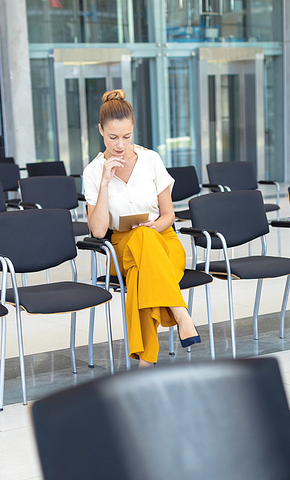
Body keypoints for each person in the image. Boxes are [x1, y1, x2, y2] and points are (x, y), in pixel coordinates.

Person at [83, 89, 201, 368]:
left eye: (126, 136)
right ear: (100, 131)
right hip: (122, 247)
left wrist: (153, 225)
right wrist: (104, 182)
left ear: (133, 128)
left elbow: (169, 215)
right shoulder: (92, 171)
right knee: (140, 245)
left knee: (140, 273)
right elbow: (98, 232)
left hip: (163, 240)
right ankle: (180, 312)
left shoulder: (151, 160)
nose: (120, 145)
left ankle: (146, 361)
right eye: (112, 137)